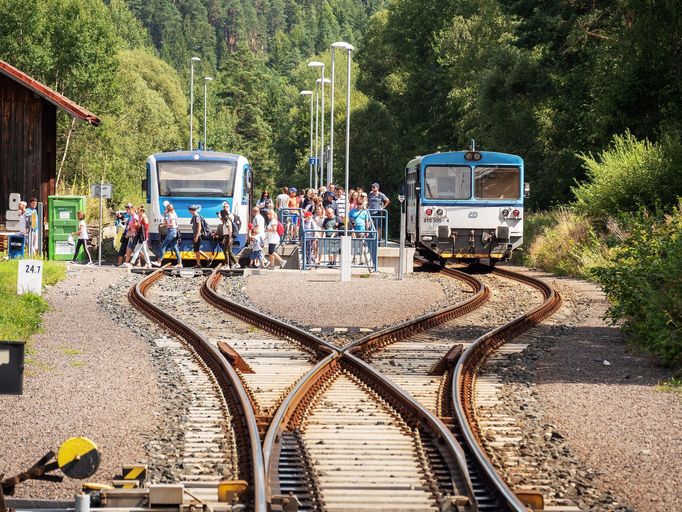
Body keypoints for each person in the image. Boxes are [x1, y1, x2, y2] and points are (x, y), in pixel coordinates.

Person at [155, 202, 182, 267]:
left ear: (168, 209)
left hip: (171, 232)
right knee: (175, 247)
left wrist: (164, 225)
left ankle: (159, 261)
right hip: (174, 231)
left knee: (163, 246)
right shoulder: (174, 213)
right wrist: (164, 215)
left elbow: (171, 224)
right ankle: (179, 263)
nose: (165, 209)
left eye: (166, 208)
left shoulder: (170, 215)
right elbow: (167, 221)